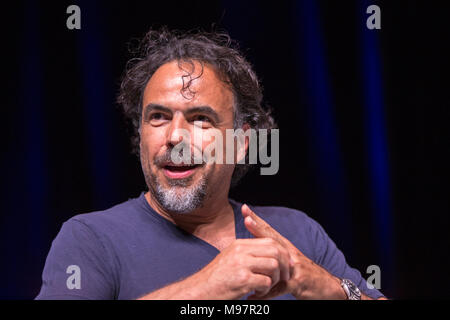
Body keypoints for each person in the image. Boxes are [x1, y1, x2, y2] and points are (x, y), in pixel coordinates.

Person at [36, 27, 385, 300]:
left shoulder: (296, 233)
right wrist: (205, 288)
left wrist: (331, 290)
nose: (174, 136)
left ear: (242, 143)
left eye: (200, 118)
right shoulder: (90, 240)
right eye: (157, 116)